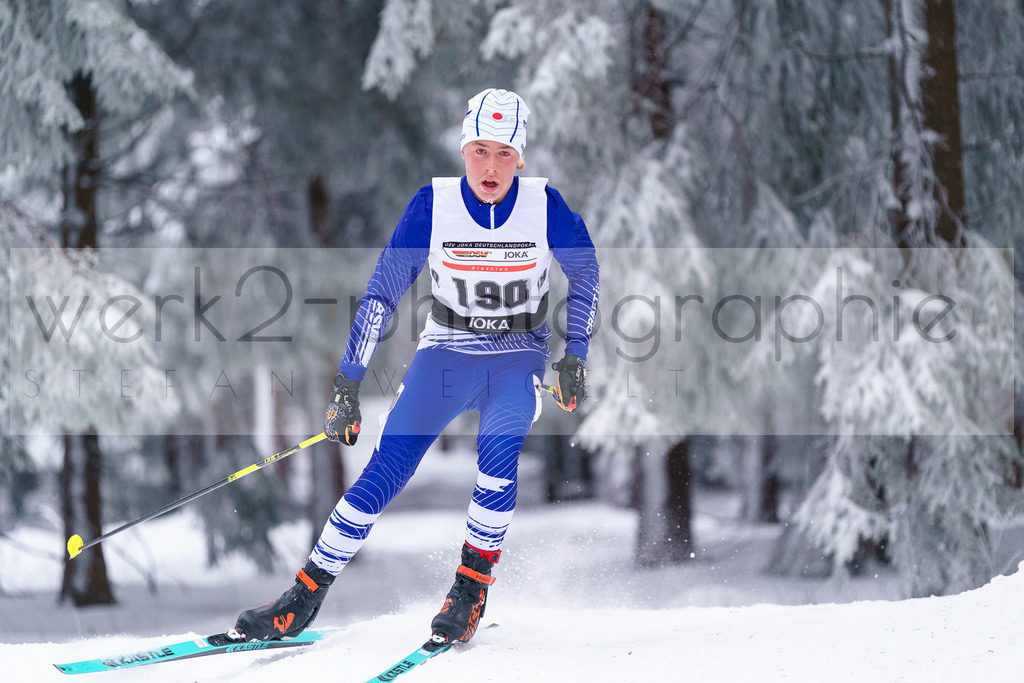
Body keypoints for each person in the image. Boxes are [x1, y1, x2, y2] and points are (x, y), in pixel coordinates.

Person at [227, 88, 599, 646]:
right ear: (462, 150)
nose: (490, 166)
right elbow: (381, 294)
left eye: (503, 153)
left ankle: (469, 592)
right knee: (384, 470)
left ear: (520, 157)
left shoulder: (544, 206)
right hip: (446, 354)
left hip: (517, 356)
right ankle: (302, 598)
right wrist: (348, 385)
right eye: (479, 150)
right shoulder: (433, 206)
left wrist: (575, 356)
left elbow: (586, 269)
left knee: (498, 454)